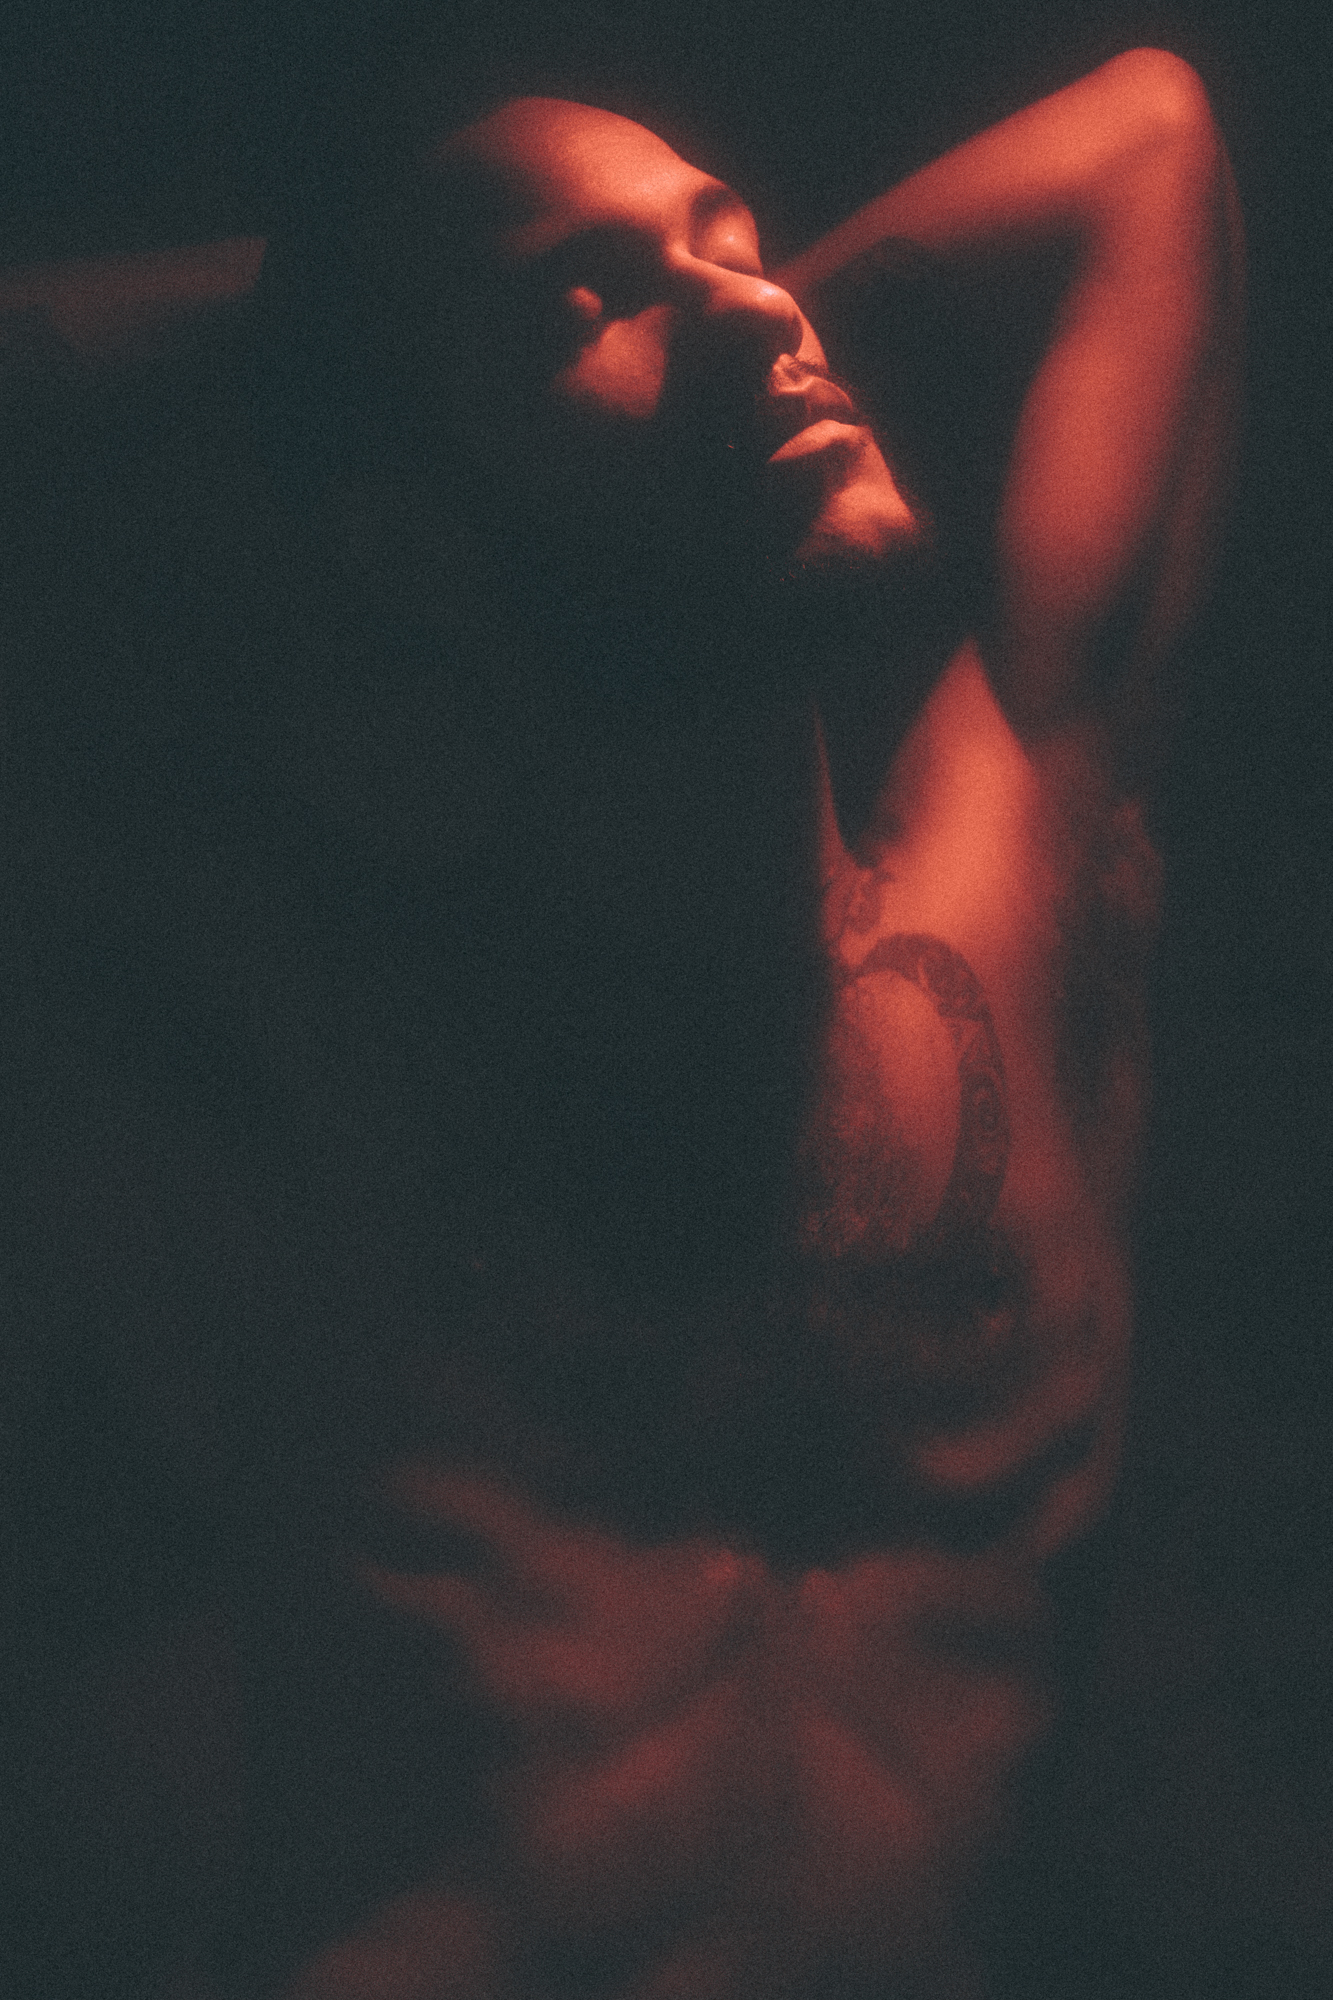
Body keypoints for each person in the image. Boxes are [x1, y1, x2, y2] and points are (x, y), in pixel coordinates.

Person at [218, 46, 1243, 2000]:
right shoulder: (315, 1009)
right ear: (398, 542)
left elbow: (1147, 136)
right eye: (582, 301)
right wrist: (337, 367)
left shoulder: (1015, 876)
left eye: (736, 244)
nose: (756, 308)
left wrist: (698, 372)